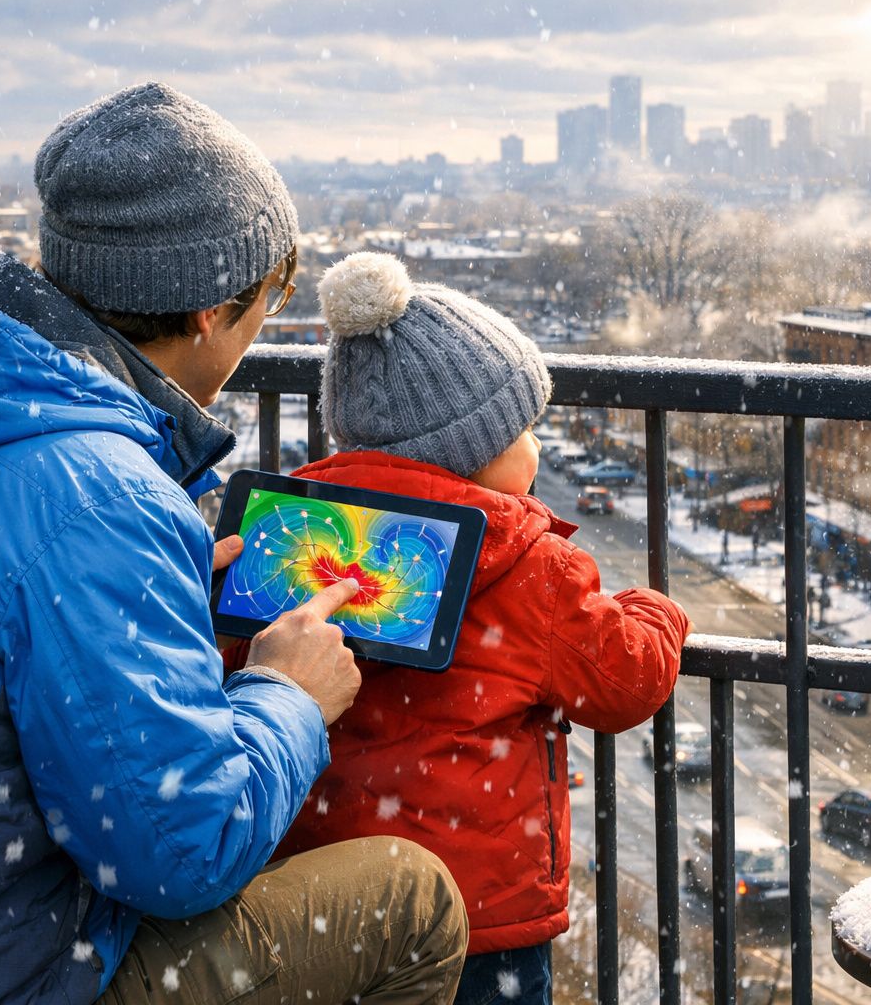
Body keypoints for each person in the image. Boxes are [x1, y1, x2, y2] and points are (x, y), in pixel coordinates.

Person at [0, 83, 466, 1004]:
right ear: (212, 310)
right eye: (271, 294)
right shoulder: (94, 498)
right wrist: (288, 695)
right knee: (410, 902)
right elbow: (179, 853)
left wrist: (149, 585)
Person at [273, 252, 691, 1004]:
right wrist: (656, 609)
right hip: (476, 919)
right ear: (477, 450)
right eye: (527, 427)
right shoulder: (526, 569)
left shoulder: (298, 544)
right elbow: (625, 682)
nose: (536, 446)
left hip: (317, 905)